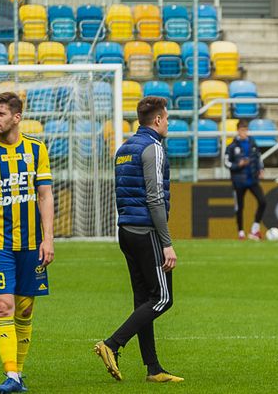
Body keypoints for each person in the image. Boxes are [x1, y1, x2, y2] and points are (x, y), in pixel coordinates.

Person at [0, 92, 54, 394]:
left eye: (0, 114)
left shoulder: (36, 149)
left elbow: (45, 195)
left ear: (17, 117)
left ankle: (18, 373)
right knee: (4, 306)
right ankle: (12, 376)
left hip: (31, 244)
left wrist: (49, 239)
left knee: (25, 309)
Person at [94, 96, 183, 383]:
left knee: (143, 300)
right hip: (146, 232)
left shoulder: (124, 148)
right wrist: (166, 242)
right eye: (166, 118)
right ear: (157, 120)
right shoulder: (153, 148)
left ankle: (153, 368)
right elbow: (155, 198)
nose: (167, 123)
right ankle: (112, 344)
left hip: (126, 230)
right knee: (163, 299)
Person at [225, 119, 266, 240]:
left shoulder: (252, 143)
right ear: (238, 131)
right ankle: (241, 232)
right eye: (242, 130)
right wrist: (238, 165)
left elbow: (258, 158)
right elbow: (226, 162)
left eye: (246, 130)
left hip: (252, 179)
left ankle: (255, 228)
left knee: (263, 201)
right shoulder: (232, 146)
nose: (244, 132)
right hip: (238, 181)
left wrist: (261, 169)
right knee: (239, 207)